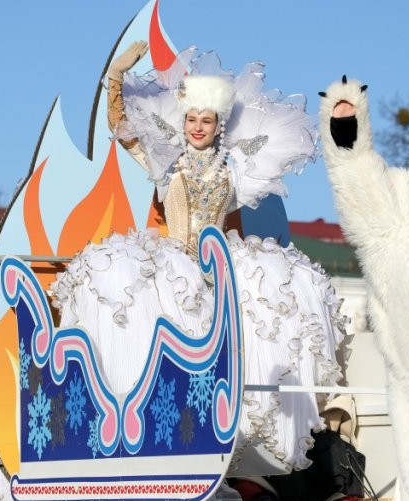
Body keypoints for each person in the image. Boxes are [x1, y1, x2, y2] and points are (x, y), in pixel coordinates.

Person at [52, 42, 348, 474]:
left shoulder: (236, 167)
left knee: (278, 295)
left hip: (220, 263)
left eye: (205, 120)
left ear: (218, 125)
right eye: (191, 119)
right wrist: (115, 75)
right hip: (176, 264)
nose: (197, 127)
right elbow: (120, 124)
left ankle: (240, 431)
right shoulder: (165, 161)